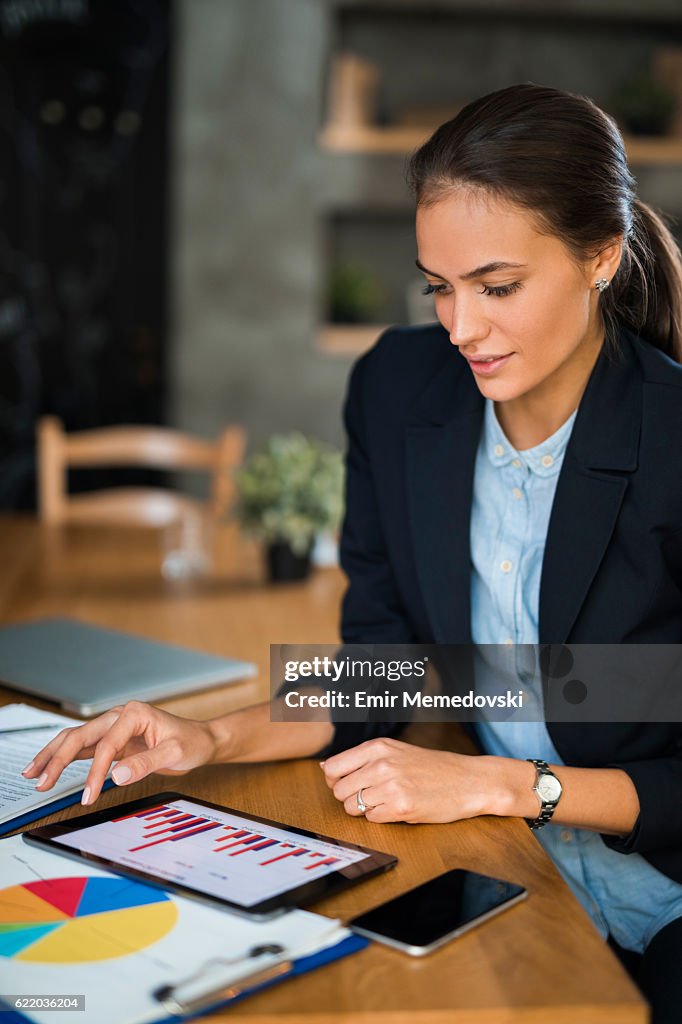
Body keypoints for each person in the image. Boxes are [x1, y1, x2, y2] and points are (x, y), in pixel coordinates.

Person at [24, 84, 682, 1022]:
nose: (461, 328)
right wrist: (211, 738)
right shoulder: (398, 388)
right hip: (510, 867)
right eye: (439, 287)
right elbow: (390, 670)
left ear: (602, 258)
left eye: (498, 287)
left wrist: (503, 782)